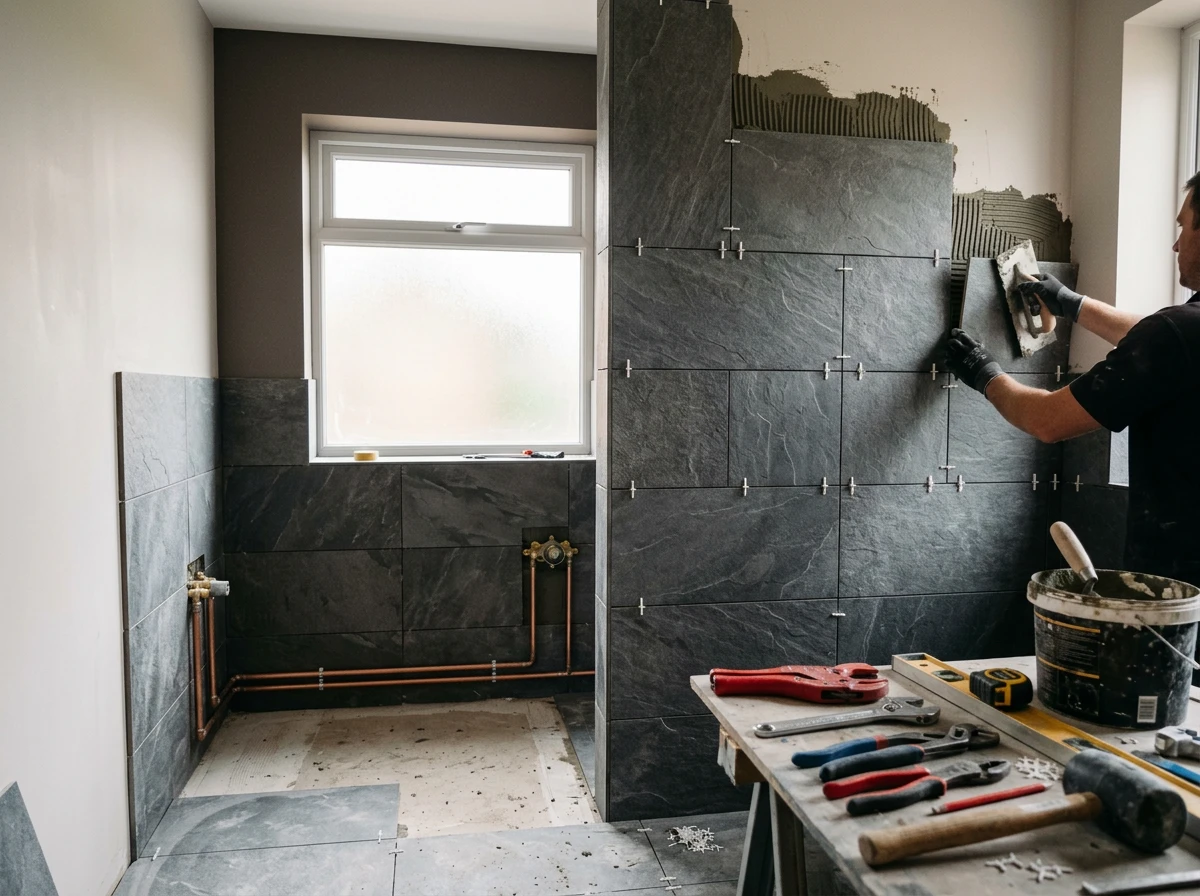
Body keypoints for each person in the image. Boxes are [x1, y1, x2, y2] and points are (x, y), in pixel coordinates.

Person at [946, 173, 1200, 588]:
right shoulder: (1179, 336)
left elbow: (1047, 420)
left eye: (1184, 226)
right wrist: (1072, 304)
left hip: (1181, 595)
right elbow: (1160, 341)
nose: (1175, 244)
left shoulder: (1176, 336)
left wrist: (983, 372)